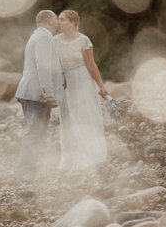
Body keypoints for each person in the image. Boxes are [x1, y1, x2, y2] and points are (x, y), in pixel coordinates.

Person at [53, 9, 108, 171]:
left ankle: (91, 154)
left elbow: (91, 65)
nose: (59, 22)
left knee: (85, 116)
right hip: (66, 84)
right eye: (58, 19)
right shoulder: (55, 41)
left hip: (83, 81)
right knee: (69, 118)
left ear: (73, 23)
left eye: (62, 19)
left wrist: (101, 86)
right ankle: (71, 158)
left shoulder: (83, 40)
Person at [14, 9, 64, 177]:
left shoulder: (40, 35)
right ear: (50, 20)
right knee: (34, 132)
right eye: (56, 19)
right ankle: (24, 170)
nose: (58, 22)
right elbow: (43, 66)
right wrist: (48, 93)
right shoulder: (43, 37)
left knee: (37, 132)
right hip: (36, 93)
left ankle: (31, 168)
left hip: (32, 92)